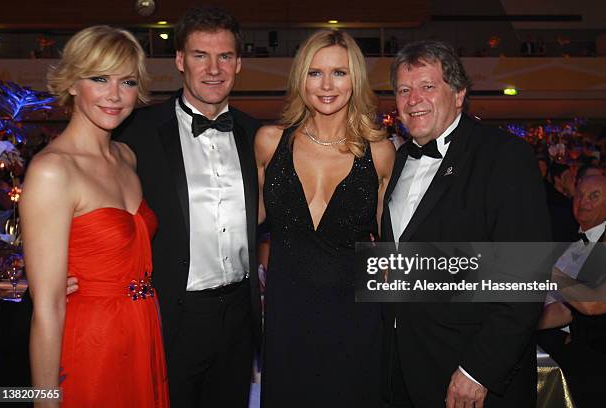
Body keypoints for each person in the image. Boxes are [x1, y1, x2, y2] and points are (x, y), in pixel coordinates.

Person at [381, 40, 551, 407]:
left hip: (469, 376)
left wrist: (479, 370)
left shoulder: (502, 156)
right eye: (404, 90)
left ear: (459, 95)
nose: (414, 99)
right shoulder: (393, 162)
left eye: (428, 87)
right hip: (401, 369)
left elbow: (526, 279)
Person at [113, 7, 261, 407]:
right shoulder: (137, 131)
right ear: (180, 61)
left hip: (239, 318)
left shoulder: (257, 135)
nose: (214, 69)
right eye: (200, 55)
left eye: (225, 56)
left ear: (239, 63)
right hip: (171, 316)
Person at [21, 26, 168, 407]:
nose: (115, 95)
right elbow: (49, 307)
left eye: (128, 81)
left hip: (141, 332)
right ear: (72, 83)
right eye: (99, 79)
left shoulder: (126, 157)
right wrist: (44, 398)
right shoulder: (53, 171)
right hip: (90, 343)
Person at [255, 29, 395, 406]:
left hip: (356, 322)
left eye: (340, 72)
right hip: (288, 321)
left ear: (356, 80)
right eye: (315, 73)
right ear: (301, 79)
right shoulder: (270, 142)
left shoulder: (380, 152)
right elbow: (235, 224)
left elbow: (391, 248)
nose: (327, 84)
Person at [537, 174, 606, 407]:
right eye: (579, 195)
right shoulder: (566, 233)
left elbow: (592, 305)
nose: (583, 201)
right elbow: (566, 309)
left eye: (594, 196)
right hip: (574, 346)